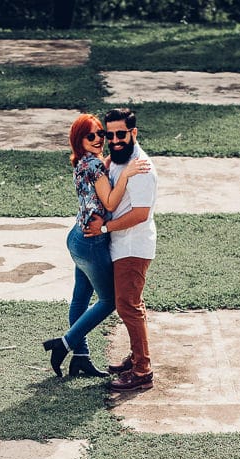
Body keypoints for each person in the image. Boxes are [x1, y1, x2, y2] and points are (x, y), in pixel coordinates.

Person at [43, 114, 149, 378]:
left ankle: (81, 358)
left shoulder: (84, 162)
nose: (99, 139)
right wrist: (125, 174)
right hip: (92, 242)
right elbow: (111, 203)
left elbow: (97, 178)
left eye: (100, 134)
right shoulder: (95, 166)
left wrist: (111, 161)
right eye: (91, 136)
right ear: (79, 141)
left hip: (77, 237)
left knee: (80, 298)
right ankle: (65, 344)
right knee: (110, 300)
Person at [84, 107, 157, 393]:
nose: (114, 140)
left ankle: (142, 371)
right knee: (130, 304)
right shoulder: (117, 159)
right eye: (109, 134)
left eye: (121, 134)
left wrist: (103, 228)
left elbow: (140, 213)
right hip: (121, 244)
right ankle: (138, 358)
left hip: (133, 246)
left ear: (133, 133)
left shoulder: (141, 168)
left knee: (128, 305)